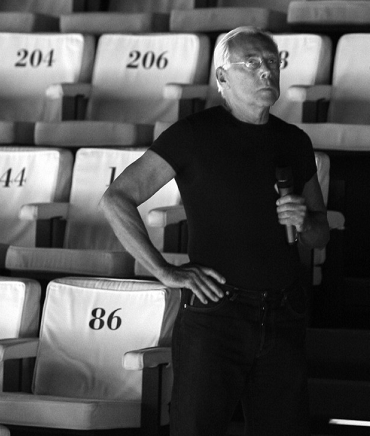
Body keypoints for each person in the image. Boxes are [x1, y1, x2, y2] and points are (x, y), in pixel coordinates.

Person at [101, 26, 330, 436]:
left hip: (283, 314)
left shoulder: (294, 141)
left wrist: (305, 221)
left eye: (272, 62)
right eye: (252, 63)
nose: (266, 71)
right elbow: (116, 197)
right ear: (222, 77)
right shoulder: (194, 134)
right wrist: (164, 271)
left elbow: (321, 235)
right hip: (216, 315)